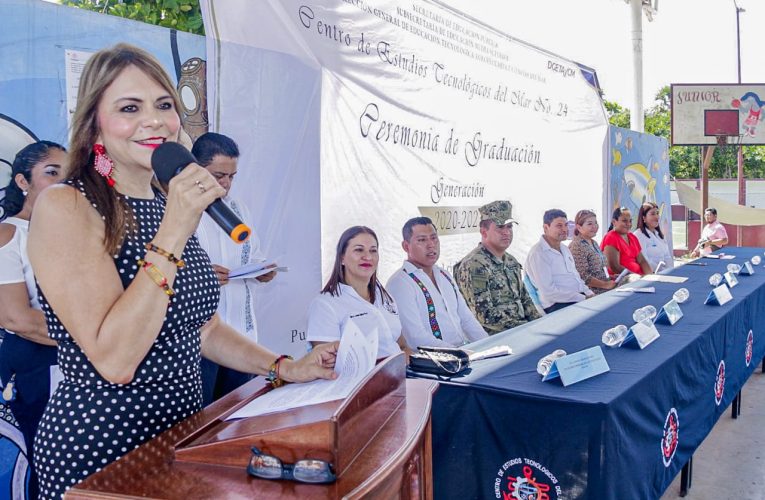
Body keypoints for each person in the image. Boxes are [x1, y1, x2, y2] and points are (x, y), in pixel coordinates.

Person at [26, 43, 338, 499]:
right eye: (129, 107)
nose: (153, 120)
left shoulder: (163, 200)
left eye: (164, 105)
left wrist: (282, 367)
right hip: (103, 451)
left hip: (184, 434)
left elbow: (202, 327)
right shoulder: (68, 204)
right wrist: (173, 229)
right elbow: (115, 361)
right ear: (95, 121)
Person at [0, 141, 68, 499]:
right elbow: (17, 317)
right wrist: (91, 339)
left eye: (68, 175)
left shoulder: (73, 231)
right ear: (23, 182)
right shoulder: (9, 235)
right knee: (48, 460)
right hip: (35, 363)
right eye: (52, 173)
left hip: (77, 358)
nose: (62, 183)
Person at [192, 132, 277, 406]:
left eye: (232, 177)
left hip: (241, 337)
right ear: (195, 168)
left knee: (237, 417)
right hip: (200, 340)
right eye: (219, 176)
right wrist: (202, 276)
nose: (226, 185)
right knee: (199, 422)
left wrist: (262, 270)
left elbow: (253, 254)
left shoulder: (238, 209)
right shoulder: (179, 211)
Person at [386, 217, 487, 349]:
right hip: (432, 364)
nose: (431, 245)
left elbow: (467, 319)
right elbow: (416, 337)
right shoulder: (400, 283)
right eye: (422, 240)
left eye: (434, 238)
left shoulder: (444, 275)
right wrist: (459, 354)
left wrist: (489, 346)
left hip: (462, 356)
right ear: (406, 246)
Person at [307, 226, 406, 359]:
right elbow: (326, 364)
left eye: (373, 250)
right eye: (359, 250)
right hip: (359, 379)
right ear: (342, 257)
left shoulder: (384, 296)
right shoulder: (325, 304)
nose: (368, 257)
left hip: (399, 374)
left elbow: (401, 345)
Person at [455, 200, 541, 335]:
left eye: (509, 227)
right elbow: (484, 315)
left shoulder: (511, 261)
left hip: (522, 332)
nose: (506, 232)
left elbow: (525, 300)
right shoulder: (475, 264)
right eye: (500, 227)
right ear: (484, 232)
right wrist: (525, 328)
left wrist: (539, 325)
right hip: (496, 340)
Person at [525, 209, 594, 313]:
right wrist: (583, 298)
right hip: (557, 305)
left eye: (566, 225)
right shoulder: (538, 253)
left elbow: (576, 278)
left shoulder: (564, 249)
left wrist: (590, 294)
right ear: (546, 227)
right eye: (559, 226)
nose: (565, 229)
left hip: (577, 299)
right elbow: (549, 293)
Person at [569, 209, 617, 295]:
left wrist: (610, 277)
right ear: (579, 227)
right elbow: (583, 276)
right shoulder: (577, 246)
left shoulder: (594, 243)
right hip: (593, 292)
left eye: (596, 223)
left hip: (606, 286)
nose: (594, 226)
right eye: (590, 224)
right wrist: (605, 285)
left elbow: (601, 268)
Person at [601, 207, 653, 277]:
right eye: (624, 221)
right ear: (614, 222)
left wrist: (650, 276)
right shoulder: (611, 237)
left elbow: (642, 261)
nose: (628, 224)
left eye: (630, 221)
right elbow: (615, 267)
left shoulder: (632, 237)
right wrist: (636, 277)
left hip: (638, 278)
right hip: (622, 280)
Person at [633, 202, 674, 272]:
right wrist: (661, 271)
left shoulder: (660, 235)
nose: (657, 217)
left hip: (665, 274)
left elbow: (668, 257)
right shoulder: (638, 235)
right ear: (644, 218)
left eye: (657, 213)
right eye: (652, 214)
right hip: (650, 276)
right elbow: (643, 261)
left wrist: (670, 271)